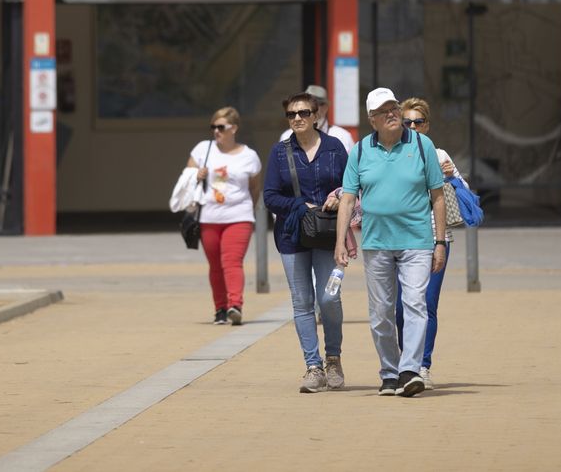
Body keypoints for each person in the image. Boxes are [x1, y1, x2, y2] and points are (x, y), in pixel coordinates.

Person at [334, 88, 447, 398]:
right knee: (381, 311)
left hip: (417, 241)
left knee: (414, 304)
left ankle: (410, 370)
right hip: (377, 242)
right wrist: (340, 241)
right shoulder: (359, 151)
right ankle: (389, 371)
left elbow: (437, 197)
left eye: (393, 106)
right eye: (384, 110)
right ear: (373, 120)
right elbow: (347, 199)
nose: (392, 113)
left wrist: (440, 241)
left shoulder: (422, 146)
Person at [264, 93, 350, 392]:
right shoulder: (279, 152)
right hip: (292, 235)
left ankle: (334, 358)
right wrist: (302, 206)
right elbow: (270, 196)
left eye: (303, 113)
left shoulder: (334, 148)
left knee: (328, 298)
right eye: (291, 114)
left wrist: (338, 196)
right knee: (302, 302)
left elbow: (352, 186)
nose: (297, 118)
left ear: (316, 115)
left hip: (328, 234)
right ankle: (313, 367)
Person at [395, 97, 461, 383]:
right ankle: (405, 360)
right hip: (399, 238)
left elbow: (465, 195)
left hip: (435, 238)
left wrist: (451, 178)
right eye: (407, 122)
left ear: (427, 125)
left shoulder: (439, 154)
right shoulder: (393, 152)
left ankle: (422, 365)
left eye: (417, 122)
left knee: (426, 303)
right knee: (400, 307)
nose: (412, 126)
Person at [186, 107, 262, 325]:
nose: (216, 131)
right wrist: (196, 174)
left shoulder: (249, 156)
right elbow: (187, 176)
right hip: (208, 217)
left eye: (221, 127)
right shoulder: (203, 149)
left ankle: (235, 305)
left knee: (232, 261)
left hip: (239, 216)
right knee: (215, 265)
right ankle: (220, 309)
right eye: (213, 127)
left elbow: (255, 187)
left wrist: (248, 208)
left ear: (234, 128)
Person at [279, 84, 355, 148]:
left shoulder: (342, 137)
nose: (298, 117)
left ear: (325, 107)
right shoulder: (287, 137)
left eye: (315, 105)